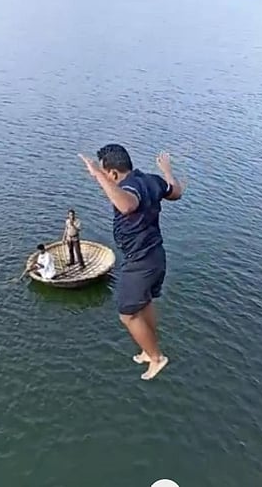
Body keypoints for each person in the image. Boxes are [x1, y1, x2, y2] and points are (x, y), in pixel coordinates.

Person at [78, 144, 184, 380]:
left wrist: (97, 174)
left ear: (113, 174)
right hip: (156, 256)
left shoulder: (128, 188)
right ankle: (149, 350)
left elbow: (127, 205)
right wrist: (167, 170)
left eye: (106, 175)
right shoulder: (151, 180)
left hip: (141, 262)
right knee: (143, 302)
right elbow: (175, 192)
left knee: (127, 313)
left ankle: (157, 358)